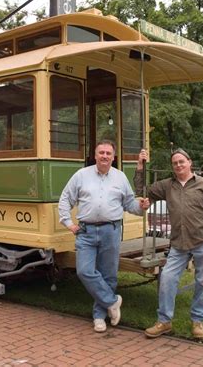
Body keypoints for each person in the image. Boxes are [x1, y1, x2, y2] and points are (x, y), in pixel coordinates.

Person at [59, 140, 149, 333]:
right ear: (95, 154)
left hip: (111, 231)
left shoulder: (120, 178)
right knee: (84, 271)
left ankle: (99, 316)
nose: (105, 156)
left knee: (109, 275)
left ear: (113, 157)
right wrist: (69, 224)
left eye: (109, 153)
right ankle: (112, 301)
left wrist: (140, 207)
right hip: (85, 232)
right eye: (101, 153)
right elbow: (65, 198)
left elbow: (129, 204)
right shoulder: (81, 176)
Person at [135, 148, 203, 339]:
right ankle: (164, 321)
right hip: (178, 244)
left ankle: (198, 321)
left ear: (189, 162)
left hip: (202, 241)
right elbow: (142, 190)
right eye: (175, 163)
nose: (178, 165)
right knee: (167, 279)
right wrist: (140, 166)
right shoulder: (168, 185)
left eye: (181, 161)